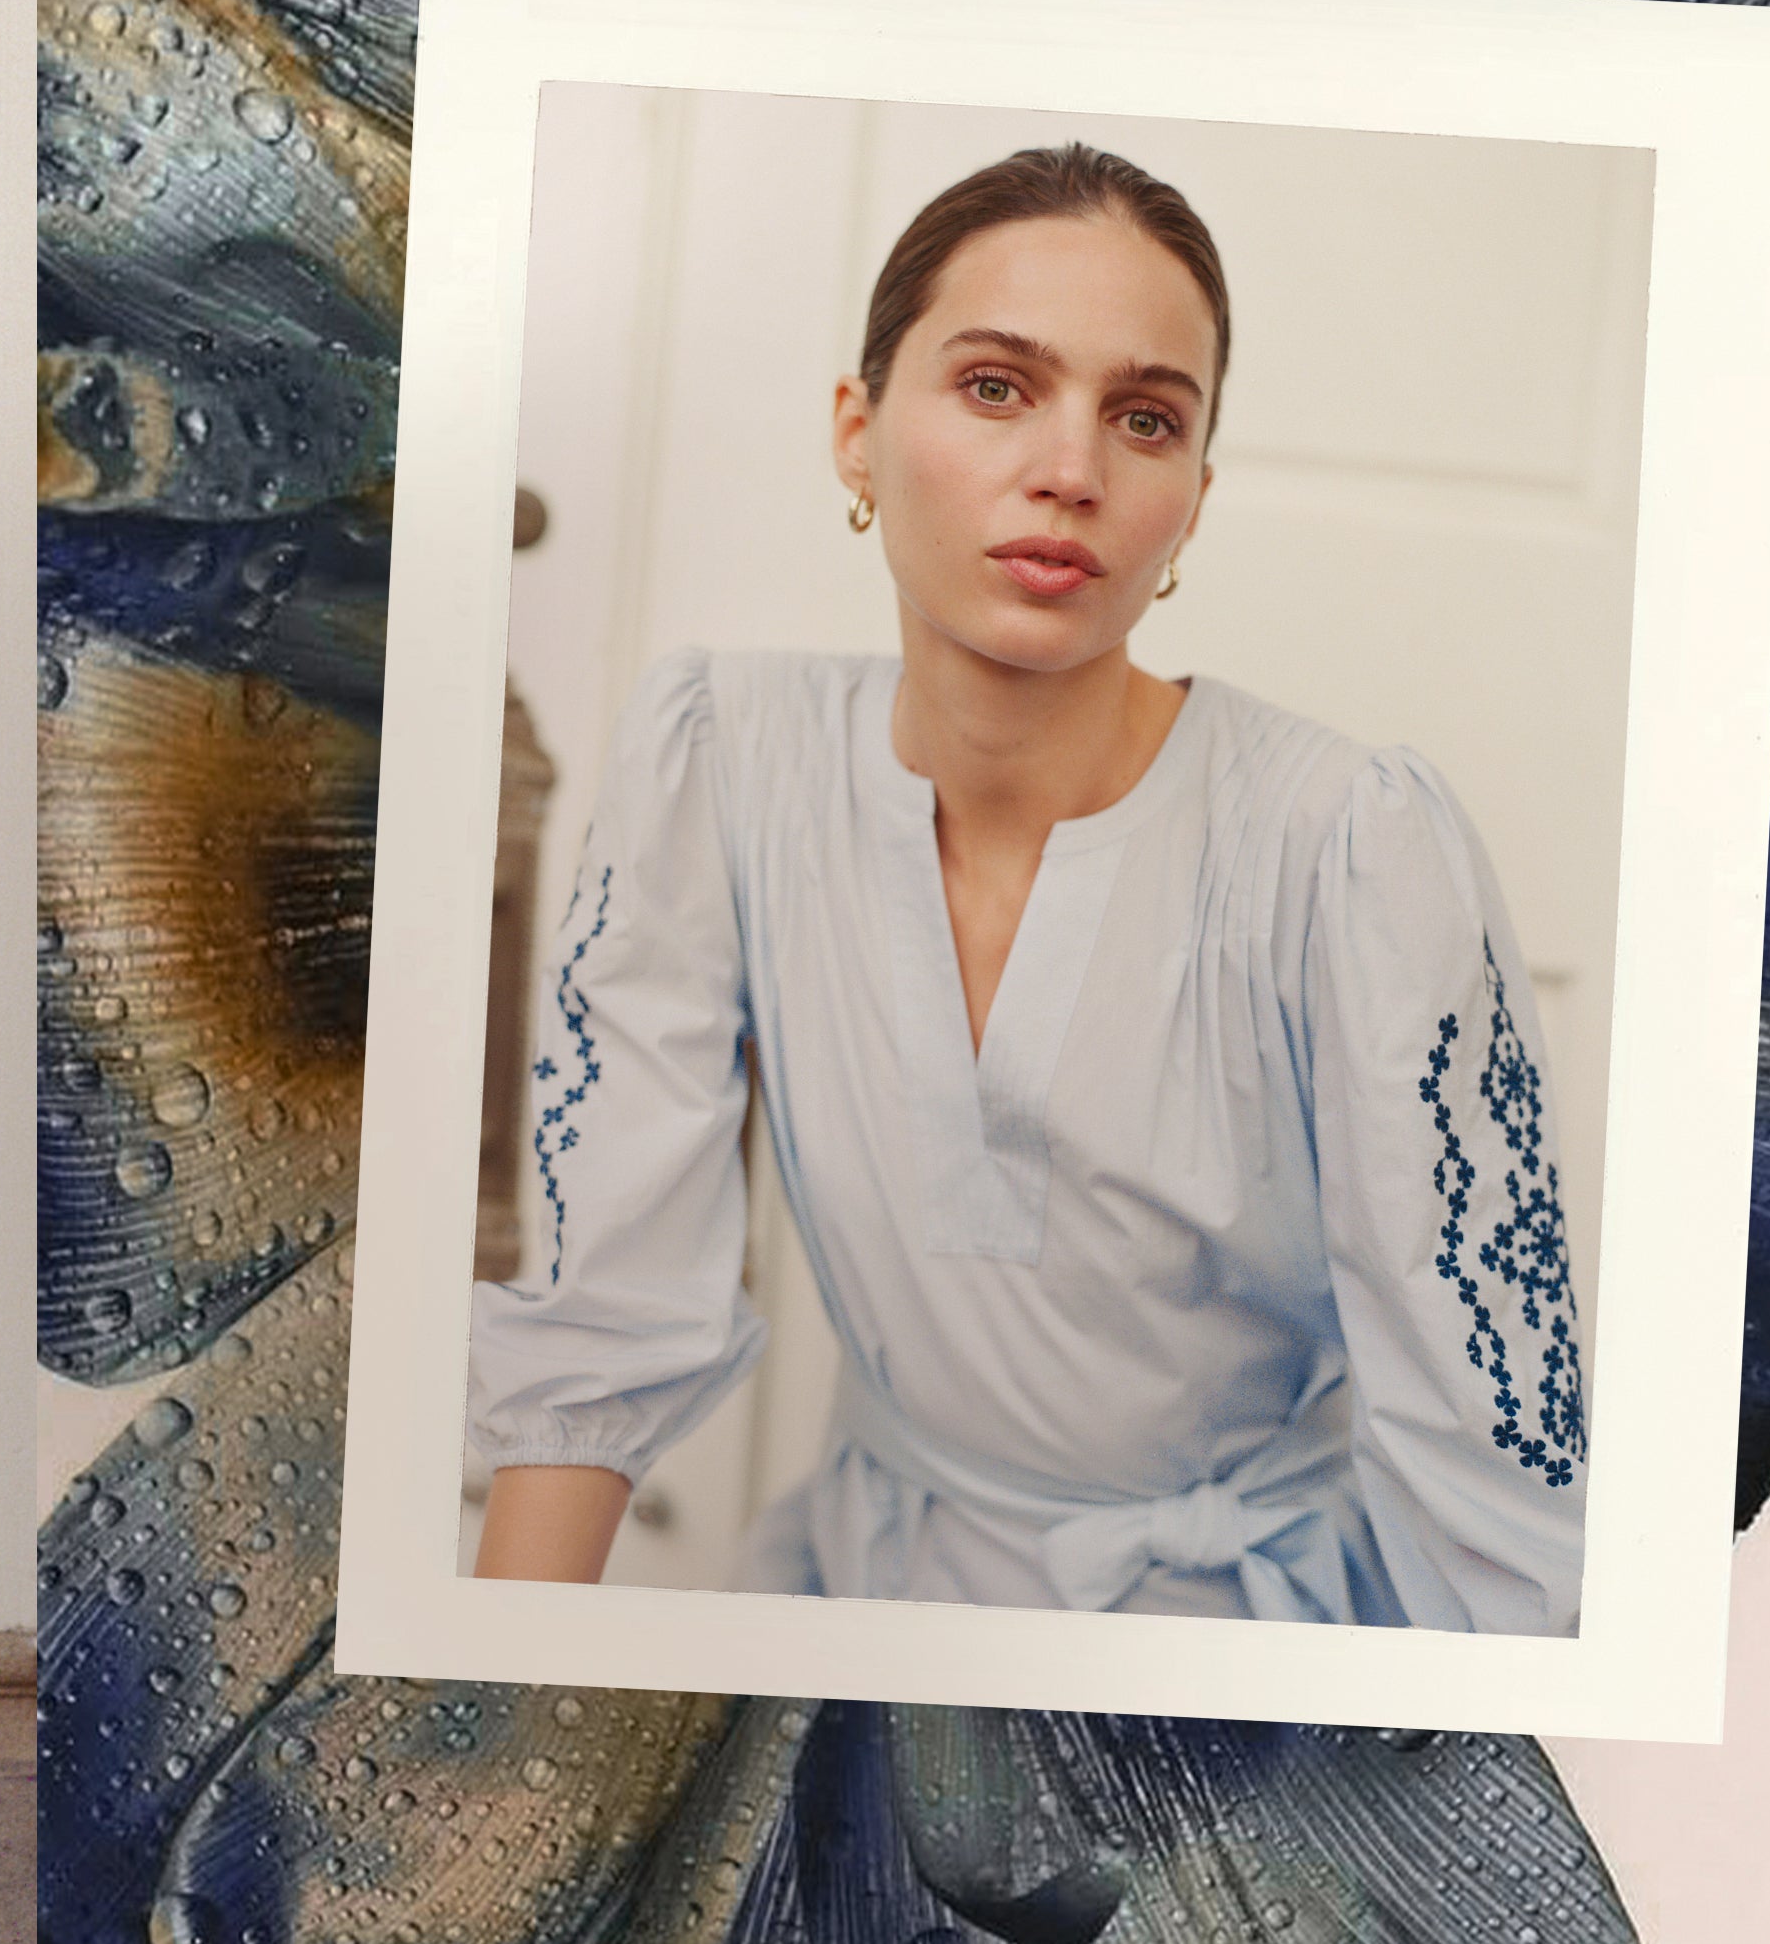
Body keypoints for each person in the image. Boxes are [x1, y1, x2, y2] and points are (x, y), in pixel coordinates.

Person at [466, 144, 1586, 1636]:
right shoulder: (721, 765)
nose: (1072, 469)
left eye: (1145, 418)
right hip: (861, 1603)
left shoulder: (1350, 851)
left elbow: (1495, 1471)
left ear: (1190, 498)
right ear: (858, 435)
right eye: (997, 386)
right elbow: (602, 1331)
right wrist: (469, 1728)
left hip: (1247, 1661)